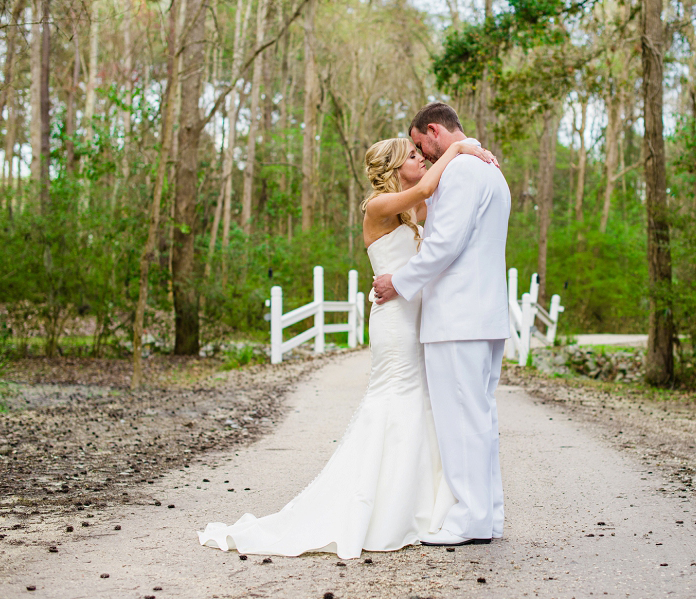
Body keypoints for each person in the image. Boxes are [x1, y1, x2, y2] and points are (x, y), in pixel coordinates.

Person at [197, 136, 498, 560]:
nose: (421, 159)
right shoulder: (377, 206)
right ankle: (377, 507)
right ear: (394, 168)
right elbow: (429, 187)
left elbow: (440, 226)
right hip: (395, 322)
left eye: (420, 154)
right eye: (413, 156)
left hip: (419, 317)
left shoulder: (412, 212)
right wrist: (461, 147)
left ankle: (425, 509)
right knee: (394, 400)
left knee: (424, 406)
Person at [372, 102, 511, 546]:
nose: (421, 155)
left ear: (433, 132)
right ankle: (488, 516)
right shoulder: (490, 170)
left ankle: (469, 520)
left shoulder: (463, 171)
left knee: (461, 422)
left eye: (418, 145)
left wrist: (400, 281)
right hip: (484, 315)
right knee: (481, 419)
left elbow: (445, 245)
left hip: (457, 318)